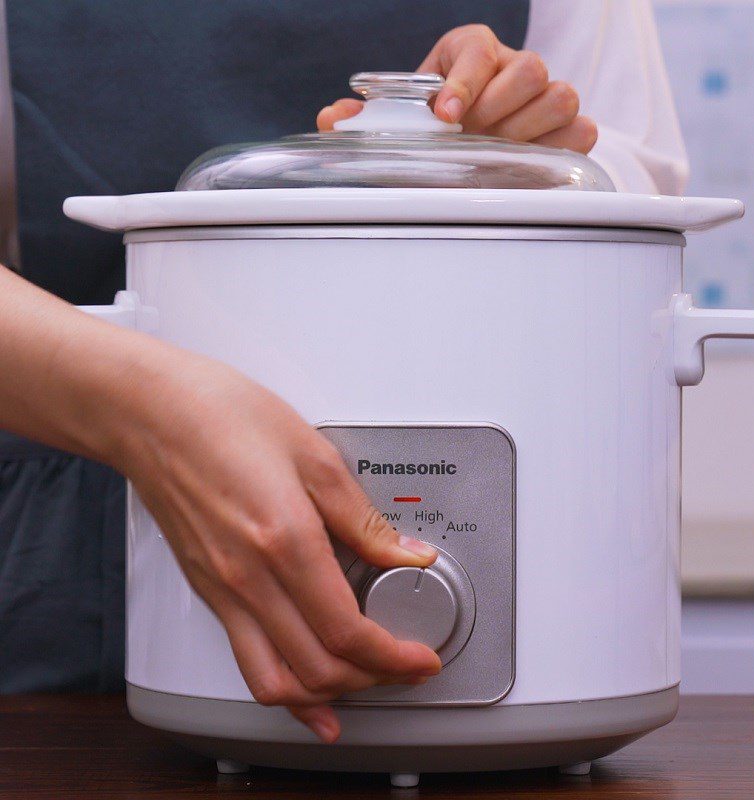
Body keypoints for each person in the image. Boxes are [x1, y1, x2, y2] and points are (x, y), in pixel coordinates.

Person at [0, 1, 687, 743]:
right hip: (57, 535)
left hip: (552, 574)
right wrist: (141, 406)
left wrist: (511, 150)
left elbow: (635, 191)